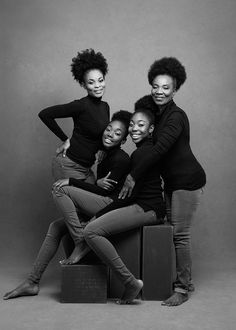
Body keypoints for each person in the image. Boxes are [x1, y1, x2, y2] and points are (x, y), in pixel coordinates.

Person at [3, 111, 131, 300]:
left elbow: (106, 193)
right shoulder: (104, 153)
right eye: (108, 129)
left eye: (117, 133)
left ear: (123, 140)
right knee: (55, 227)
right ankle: (32, 281)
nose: (110, 134)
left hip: (109, 207)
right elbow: (97, 184)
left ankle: (80, 238)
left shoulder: (121, 159)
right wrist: (66, 141)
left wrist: (72, 181)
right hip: (100, 202)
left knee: (60, 189)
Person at [119, 57, 206, 306]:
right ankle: (173, 280)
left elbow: (158, 150)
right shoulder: (158, 113)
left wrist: (132, 176)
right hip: (171, 182)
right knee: (169, 232)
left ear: (175, 89)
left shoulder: (176, 116)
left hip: (187, 182)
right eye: (156, 86)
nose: (159, 91)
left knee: (180, 235)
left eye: (166, 87)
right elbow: (140, 133)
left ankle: (182, 288)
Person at [82, 109, 166, 305]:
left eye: (141, 125)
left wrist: (98, 215)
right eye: (132, 125)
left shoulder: (142, 153)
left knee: (91, 231)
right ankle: (129, 283)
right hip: (142, 204)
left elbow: (129, 197)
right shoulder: (145, 150)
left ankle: (130, 283)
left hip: (148, 209)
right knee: (91, 229)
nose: (135, 128)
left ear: (151, 129)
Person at [38, 48, 110, 182]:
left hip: (87, 168)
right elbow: (45, 114)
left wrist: (103, 148)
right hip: (68, 165)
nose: (98, 85)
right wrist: (65, 139)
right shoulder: (80, 105)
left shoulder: (105, 107)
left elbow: (99, 133)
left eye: (100, 80)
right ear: (83, 84)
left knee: (94, 201)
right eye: (91, 82)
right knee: (74, 201)